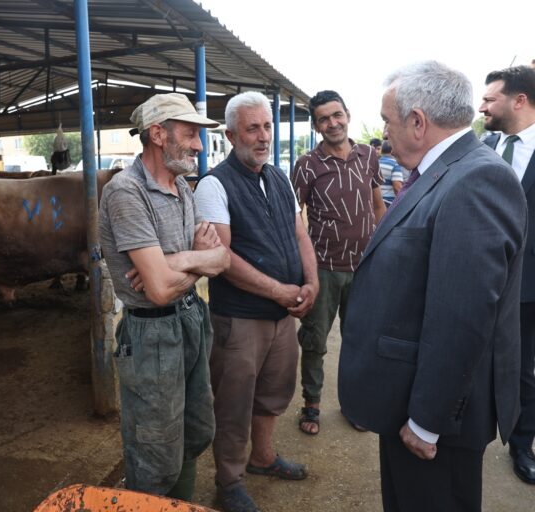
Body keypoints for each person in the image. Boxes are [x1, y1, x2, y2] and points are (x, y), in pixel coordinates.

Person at [338, 61, 527, 512]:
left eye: (387, 121)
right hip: (407, 395)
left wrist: (426, 421)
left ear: (418, 122)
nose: (383, 134)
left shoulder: (476, 179)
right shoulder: (446, 172)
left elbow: (462, 316)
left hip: (437, 417)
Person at [98, 92, 231, 500]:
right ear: (158, 134)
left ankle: (180, 503)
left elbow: (223, 258)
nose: (198, 144)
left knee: (195, 431)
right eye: (191, 134)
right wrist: (198, 262)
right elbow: (156, 290)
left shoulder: (183, 189)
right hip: (150, 336)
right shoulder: (126, 192)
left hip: (190, 319)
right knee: (155, 452)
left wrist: (178, 261)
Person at [194, 91, 318, 512]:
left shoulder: (279, 177)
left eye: (266, 126)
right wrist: (278, 291)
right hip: (241, 318)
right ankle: (228, 482)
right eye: (252, 128)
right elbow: (222, 259)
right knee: (233, 404)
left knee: (273, 394)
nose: (263, 136)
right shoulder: (213, 184)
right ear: (230, 135)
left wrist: (312, 282)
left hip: (283, 315)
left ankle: (263, 458)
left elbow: (300, 233)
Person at [291, 90, 386, 435]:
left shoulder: (367, 156)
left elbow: (378, 206)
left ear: (347, 114)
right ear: (316, 126)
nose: (332, 123)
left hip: (363, 268)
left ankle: (353, 404)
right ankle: (311, 405)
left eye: (336, 115)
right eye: (323, 119)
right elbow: (294, 218)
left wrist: (381, 248)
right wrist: (303, 266)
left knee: (358, 340)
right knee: (315, 340)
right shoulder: (307, 165)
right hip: (324, 269)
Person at [479, 64, 535, 485]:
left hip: (530, 286)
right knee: (473, 354)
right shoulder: (486, 144)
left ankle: (521, 442)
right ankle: (470, 426)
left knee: (524, 367)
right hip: (481, 278)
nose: (482, 106)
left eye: (490, 98)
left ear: (519, 100)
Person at [378, 140, 404, 206]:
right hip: (388, 203)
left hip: (376, 202)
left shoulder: (375, 163)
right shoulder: (394, 164)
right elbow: (397, 187)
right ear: (392, 150)